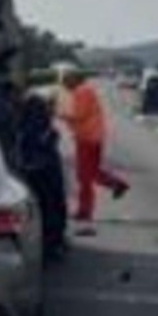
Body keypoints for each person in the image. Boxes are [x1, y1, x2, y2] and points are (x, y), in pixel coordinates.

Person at [56, 66, 129, 233]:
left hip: (87, 138)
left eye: (65, 81)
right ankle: (117, 185)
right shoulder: (85, 90)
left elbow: (79, 115)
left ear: (73, 79)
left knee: (84, 177)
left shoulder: (81, 92)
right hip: (93, 137)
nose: (64, 85)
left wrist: (61, 115)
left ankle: (85, 211)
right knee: (92, 172)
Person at [16, 93, 69, 260]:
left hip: (31, 172)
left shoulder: (22, 125)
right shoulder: (42, 126)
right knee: (53, 207)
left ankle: (47, 244)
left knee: (40, 209)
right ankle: (53, 244)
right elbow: (45, 143)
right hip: (46, 171)